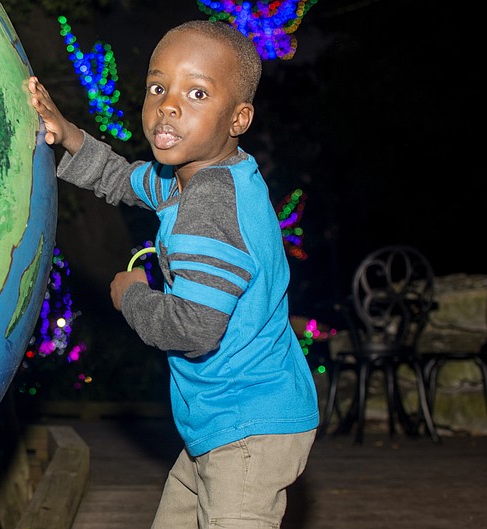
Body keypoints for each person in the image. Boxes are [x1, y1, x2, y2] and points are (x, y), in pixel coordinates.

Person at [28, 19, 319, 529]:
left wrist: (130, 296)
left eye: (197, 92)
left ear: (238, 117)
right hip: (218, 423)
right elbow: (121, 177)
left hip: (247, 429)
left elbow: (193, 328)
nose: (169, 104)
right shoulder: (193, 177)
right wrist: (65, 132)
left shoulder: (210, 207)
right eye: (158, 87)